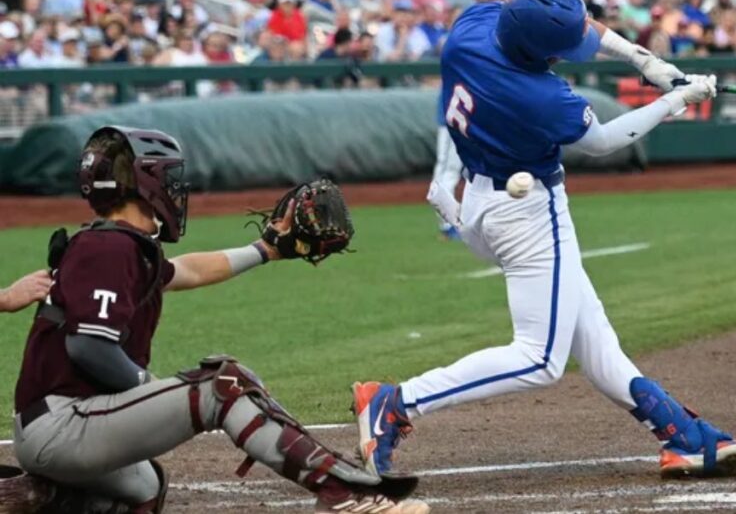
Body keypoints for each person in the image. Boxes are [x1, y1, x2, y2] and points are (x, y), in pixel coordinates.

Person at [353, 0, 736, 480]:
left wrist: (642, 60)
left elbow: (575, 27)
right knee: (539, 359)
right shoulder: (539, 96)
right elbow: (602, 140)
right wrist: (676, 100)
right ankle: (395, 403)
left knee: (592, 336)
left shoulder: (473, 27)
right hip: (527, 215)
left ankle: (682, 436)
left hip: (483, 200)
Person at [9, 126, 427, 513]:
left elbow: (187, 270)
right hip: (63, 425)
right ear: (145, 184)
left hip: (65, 424)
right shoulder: (108, 248)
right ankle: (347, 496)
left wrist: (266, 249)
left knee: (143, 486)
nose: (175, 190)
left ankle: (39, 497)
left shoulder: (117, 245)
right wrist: (156, 392)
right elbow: (88, 347)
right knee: (221, 385)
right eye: (168, 179)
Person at [428, 0, 503, 241]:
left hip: (475, 113)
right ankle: (446, 223)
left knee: (466, 169)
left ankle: (465, 220)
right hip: (454, 112)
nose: (487, 2)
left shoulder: (492, 27)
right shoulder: (465, 26)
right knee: (448, 167)